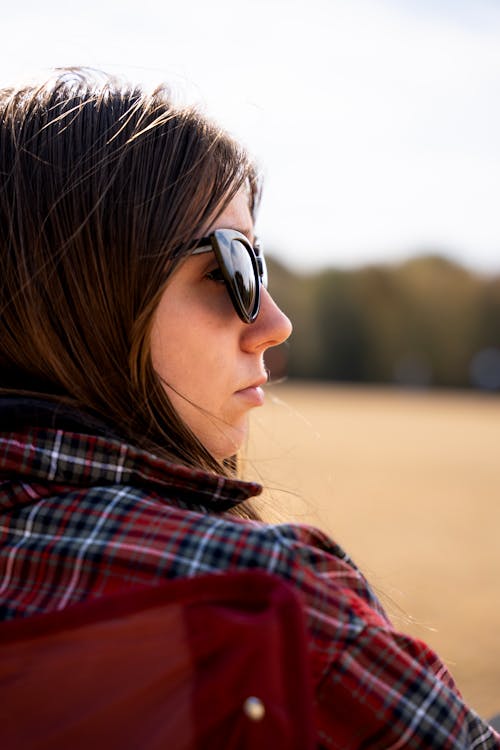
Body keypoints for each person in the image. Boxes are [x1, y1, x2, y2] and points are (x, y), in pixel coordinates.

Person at [0, 68, 498, 749]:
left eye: (258, 265)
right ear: (81, 297)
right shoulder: (265, 602)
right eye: (229, 268)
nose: (275, 321)